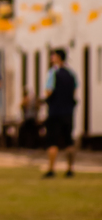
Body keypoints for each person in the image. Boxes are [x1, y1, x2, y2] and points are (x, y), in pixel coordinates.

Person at [41, 48, 78, 178]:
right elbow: (74, 91)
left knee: (52, 141)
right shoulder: (71, 74)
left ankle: (51, 169)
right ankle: (70, 169)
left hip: (55, 112)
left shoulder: (53, 73)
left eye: (53, 56)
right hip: (68, 112)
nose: (51, 58)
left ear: (58, 57)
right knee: (69, 141)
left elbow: (49, 91)